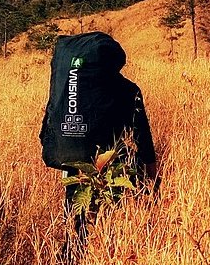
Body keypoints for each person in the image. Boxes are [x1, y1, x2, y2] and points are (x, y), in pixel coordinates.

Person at [39, 32, 157, 239]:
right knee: (109, 209)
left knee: (75, 209)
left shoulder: (64, 88)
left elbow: (48, 118)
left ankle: (72, 249)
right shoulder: (127, 90)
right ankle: (103, 245)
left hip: (68, 155)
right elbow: (141, 134)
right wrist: (151, 172)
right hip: (105, 162)